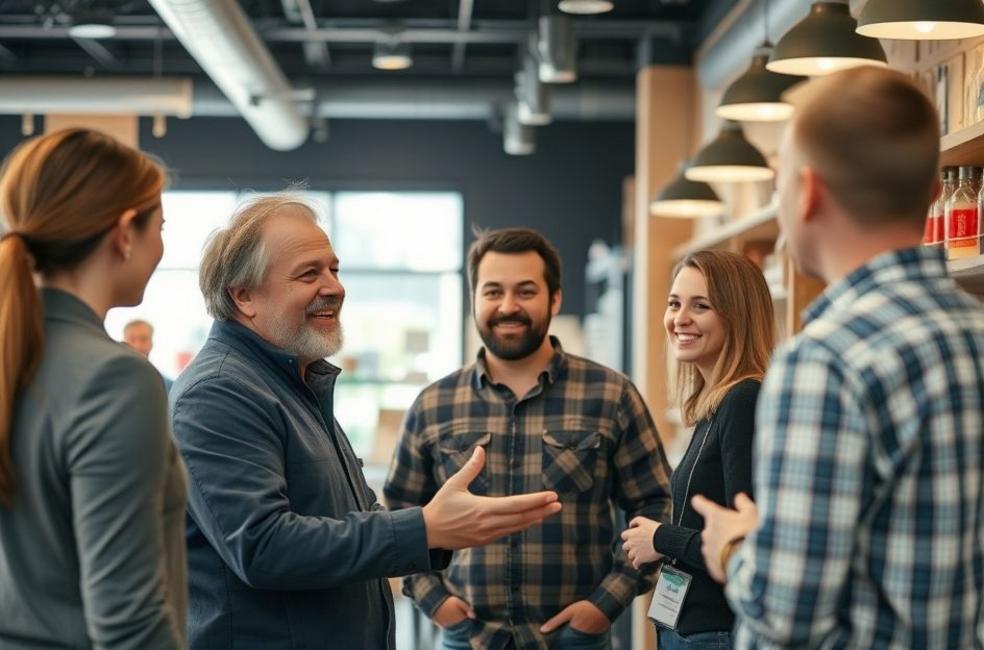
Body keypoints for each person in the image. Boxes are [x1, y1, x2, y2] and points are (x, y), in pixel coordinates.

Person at [169, 195, 562, 650]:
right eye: (309, 273)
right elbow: (263, 545)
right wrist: (425, 528)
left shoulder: (294, 382)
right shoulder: (218, 392)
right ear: (243, 295)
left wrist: (439, 528)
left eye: (334, 269)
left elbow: (343, 516)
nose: (335, 287)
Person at [693, 66, 984, 648]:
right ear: (933, 194)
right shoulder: (974, 333)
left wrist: (734, 546)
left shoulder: (824, 360)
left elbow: (786, 611)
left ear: (807, 193)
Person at [384, 227, 673, 650]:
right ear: (474, 299)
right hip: (468, 637)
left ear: (554, 299)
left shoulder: (612, 395)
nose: (507, 306)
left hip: (576, 639)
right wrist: (435, 600)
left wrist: (605, 604)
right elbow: (398, 514)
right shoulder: (433, 404)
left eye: (525, 291)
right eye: (493, 291)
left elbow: (655, 504)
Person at [0, 128, 186, 648]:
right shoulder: (114, 379)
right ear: (125, 233)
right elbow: (129, 623)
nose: (161, 245)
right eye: (159, 227)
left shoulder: (20, 357)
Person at [621, 250, 774, 649]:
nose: (680, 318)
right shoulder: (714, 404)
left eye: (700, 306)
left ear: (737, 316)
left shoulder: (743, 400)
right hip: (690, 630)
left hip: (714, 632)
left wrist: (661, 539)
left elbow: (742, 543)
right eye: (674, 304)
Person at [122, 318, 174, 392]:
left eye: (143, 339)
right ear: (123, 343)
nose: (138, 346)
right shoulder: (112, 381)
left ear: (151, 343)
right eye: (132, 339)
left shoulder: (169, 386)